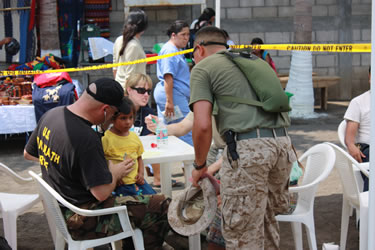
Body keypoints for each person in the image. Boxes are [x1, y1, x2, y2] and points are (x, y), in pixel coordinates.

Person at [24, 78, 171, 249]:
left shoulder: (52, 114)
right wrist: (115, 172)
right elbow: (101, 193)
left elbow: (28, 153)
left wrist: (69, 167)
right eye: (112, 115)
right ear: (105, 110)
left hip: (60, 207)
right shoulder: (87, 138)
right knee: (161, 204)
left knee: (138, 201)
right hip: (81, 218)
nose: (109, 120)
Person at [189, 26, 295, 249]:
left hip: (250, 152)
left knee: (241, 232)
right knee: (266, 222)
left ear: (198, 49)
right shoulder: (252, 60)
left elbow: (202, 124)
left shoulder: (203, 68)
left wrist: (199, 165)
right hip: (283, 146)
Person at [102, 96, 156, 196]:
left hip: (137, 182)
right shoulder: (106, 138)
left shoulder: (134, 137)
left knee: (154, 199)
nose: (128, 122)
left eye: (131, 117)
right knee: (130, 207)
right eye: (123, 118)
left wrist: (141, 174)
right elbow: (103, 161)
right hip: (119, 185)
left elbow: (139, 157)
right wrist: (113, 177)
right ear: (112, 119)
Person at [154, 20, 193, 145]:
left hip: (173, 95)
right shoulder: (170, 50)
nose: (186, 38)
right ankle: (187, 161)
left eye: (188, 35)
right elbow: (168, 77)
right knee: (185, 129)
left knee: (169, 129)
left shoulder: (175, 50)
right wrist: (169, 101)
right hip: (173, 95)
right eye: (183, 35)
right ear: (173, 35)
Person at [344, 67, 371, 191]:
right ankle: (370, 205)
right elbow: (349, 139)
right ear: (370, 77)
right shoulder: (359, 102)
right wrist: (351, 146)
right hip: (367, 147)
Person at [113, 9, 148, 89]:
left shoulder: (119, 40)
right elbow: (130, 76)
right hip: (131, 91)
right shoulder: (133, 45)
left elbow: (115, 68)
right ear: (143, 27)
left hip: (122, 89)